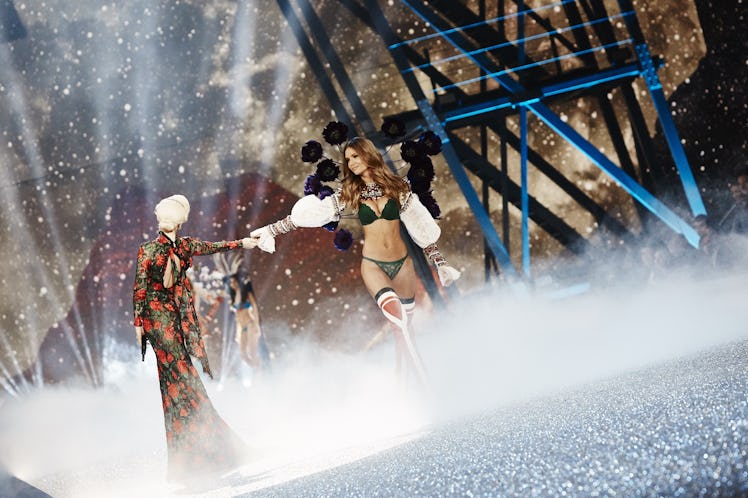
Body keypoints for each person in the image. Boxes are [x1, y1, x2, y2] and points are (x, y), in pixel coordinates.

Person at [250, 137, 460, 385]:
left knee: (404, 330)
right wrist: (271, 230)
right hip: (373, 265)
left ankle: (403, 383)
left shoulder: (399, 189)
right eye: (347, 158)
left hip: (402, 265)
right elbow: (310, 216)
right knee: (399, 320)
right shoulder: (348, 194)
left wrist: (440, 263)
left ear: (368, 155)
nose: (350, 162)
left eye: (355, 156)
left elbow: (421, 228)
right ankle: (427, 386)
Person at [132, 194, 256, 483]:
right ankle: (205, 455)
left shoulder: (186, 246)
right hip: (157, 323)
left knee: (181, 388)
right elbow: (140, 287)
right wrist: (139, 323)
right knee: (181, 383)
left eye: (169, 216)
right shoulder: (147, 249)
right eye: (161, 215)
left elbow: (215, 247)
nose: (164, 221)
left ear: (178, 220)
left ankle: (199, 457)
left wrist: (243, 243)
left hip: (174, 319)